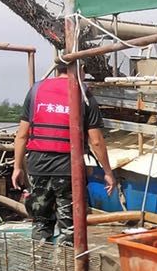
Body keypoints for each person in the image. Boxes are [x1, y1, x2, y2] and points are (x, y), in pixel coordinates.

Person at [11, 71, 116, 243]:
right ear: (79, 70)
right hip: (69, 170)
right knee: (70, 227)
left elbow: (22, 135)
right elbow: (96, 141)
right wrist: (108, 173)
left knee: (40, 222)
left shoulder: (36, 89)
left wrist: (17, 168)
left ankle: (39, 264)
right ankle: (66, 267)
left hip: (38, 167)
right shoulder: (83, 93)